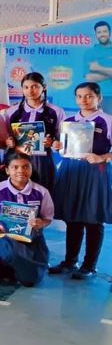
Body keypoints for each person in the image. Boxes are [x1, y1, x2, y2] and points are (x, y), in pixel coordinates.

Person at [49, 82, 112, 279]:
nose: (83, 100)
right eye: (79, 96)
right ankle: (70, 261)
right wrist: (57, 146)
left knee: (93, 219)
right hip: (71, 170)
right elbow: (63, 150)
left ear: (98, 98)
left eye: (89, 96)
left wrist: (102, 157)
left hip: (95, 172)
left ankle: (89, 265)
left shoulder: (107, 120)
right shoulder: (69, 121)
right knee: (73, 218)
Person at [0, 152, 53, 287]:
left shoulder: (41, 192)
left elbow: (48, 217)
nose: (21, 171)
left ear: (31, 168)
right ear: (7, 170)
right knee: (7, 252)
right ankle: (2, 271)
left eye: (26, 167)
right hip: (3, 235)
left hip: (30, 237)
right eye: (15, 167)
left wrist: (41, 223)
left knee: (31, 280)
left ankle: (24, 271)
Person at [2, 72, 65, 192]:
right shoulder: (12, 111)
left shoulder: (56, 111)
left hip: (43, 160)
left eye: (34, 86)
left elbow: (60, 140)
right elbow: (7, 136)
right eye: (26, 87)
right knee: (16, 192)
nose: (30, 91)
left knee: (43, 191)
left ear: (44, 87)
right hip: (17, 159)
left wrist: (52, 143)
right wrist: (9, 141)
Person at [84, 21, 112, 112]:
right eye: (99, 32)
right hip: (96, 97)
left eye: (105, 31)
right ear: (96, 34)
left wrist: (98, 68)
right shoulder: (90, 53)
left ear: (110, 32)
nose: (102, 34)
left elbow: (94, 74)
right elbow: (89, 78)